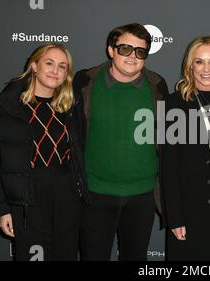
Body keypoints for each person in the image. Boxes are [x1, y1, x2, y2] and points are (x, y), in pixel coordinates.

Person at [0, 43, 88, 261]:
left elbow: (79, 152)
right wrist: (1, 209)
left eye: (62, 66)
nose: (55, 71)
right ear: (34, 66)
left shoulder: (70, 105)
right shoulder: (4, 108)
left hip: (66, 195)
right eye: (49, 63)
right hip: (27, 197)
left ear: (67, 74)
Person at [73, 23, 169, 261]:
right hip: (95, 195)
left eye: (140, 51)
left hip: (142, 196)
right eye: (125, 49)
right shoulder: (85, 82)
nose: (132, 56)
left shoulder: (157, 86)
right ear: (111, 49)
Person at [161, 36, 210, 261]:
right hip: (190, 207)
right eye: (199, 62)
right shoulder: (172, 103)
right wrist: (175, 218)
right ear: (190, 66)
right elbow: (168, 166)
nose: (206, 69)